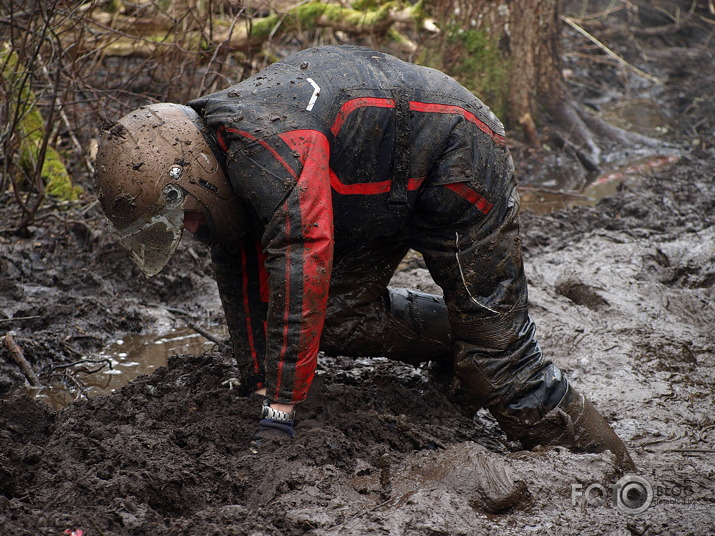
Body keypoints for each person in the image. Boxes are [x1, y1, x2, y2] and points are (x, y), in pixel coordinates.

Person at [94, 45, 633, 467]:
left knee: (504, 367)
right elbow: (238, 265)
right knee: (334, 319)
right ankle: (460, 343)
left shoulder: (271, 147)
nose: (189, 230)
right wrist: (257, 380)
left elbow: (301, 257)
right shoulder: (221, 152)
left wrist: (280, 410)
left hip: (460, 155)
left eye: (184, 216)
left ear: (194, 179)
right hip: (377, 183)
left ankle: (614, 470)